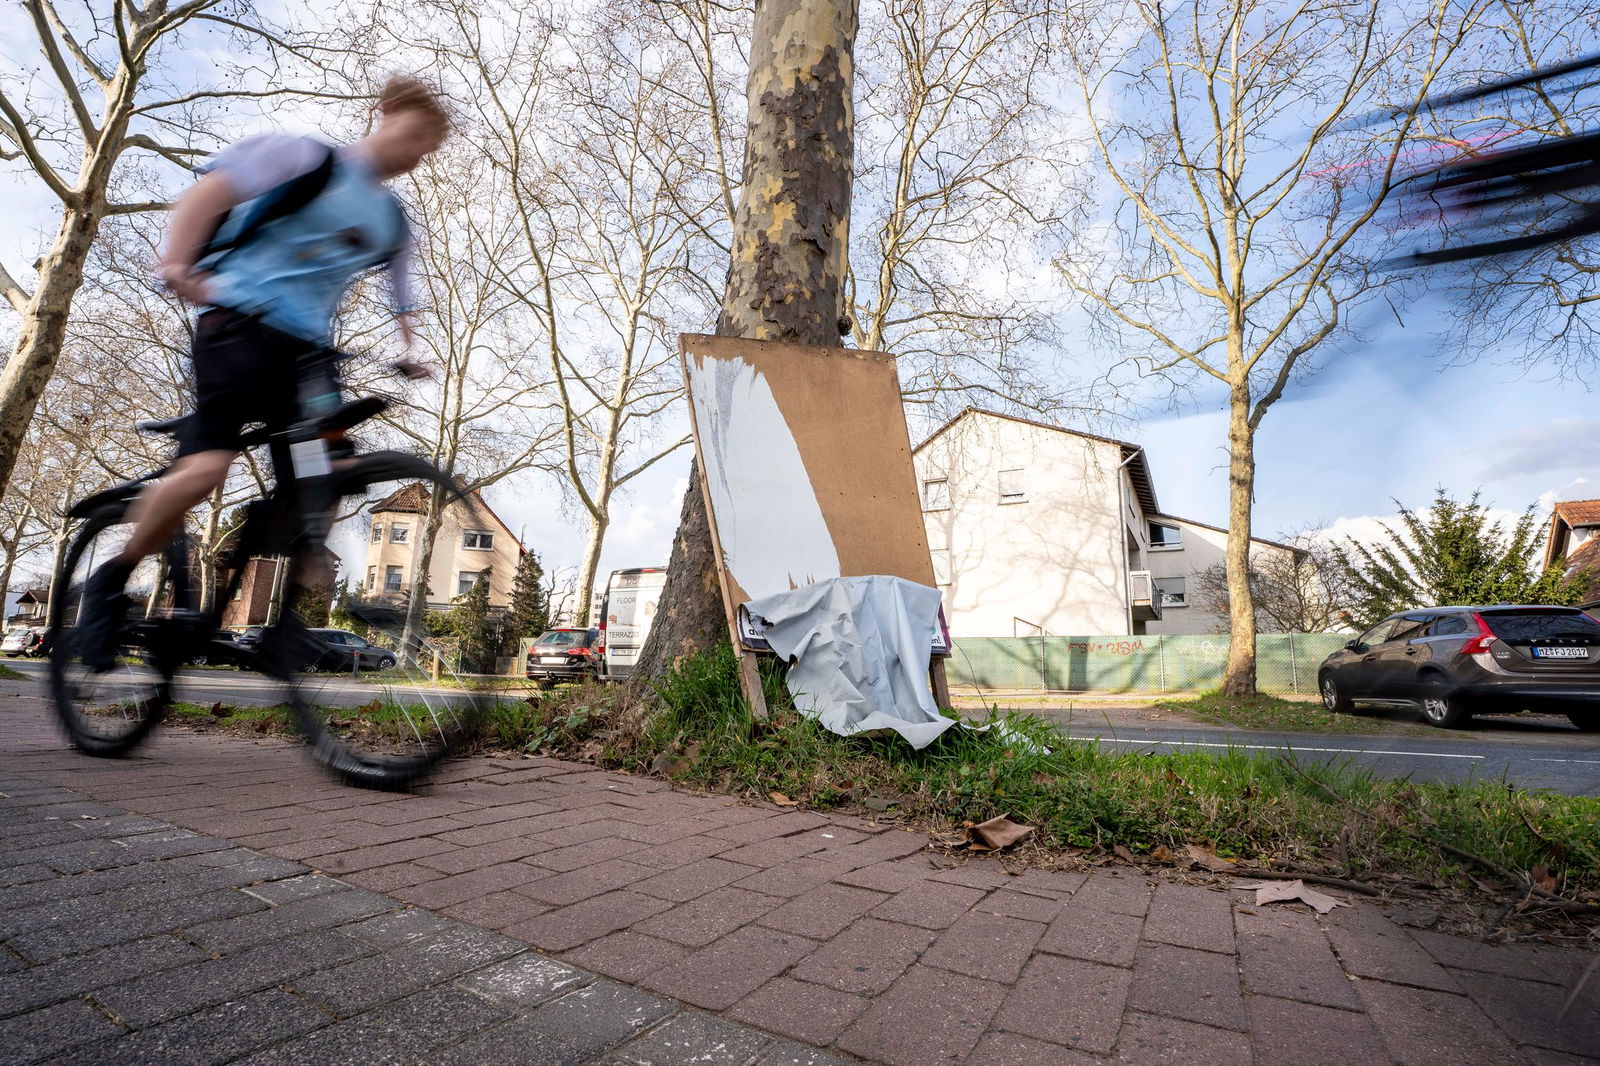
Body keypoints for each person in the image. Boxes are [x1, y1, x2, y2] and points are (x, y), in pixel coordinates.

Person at [75, 76, 451, 670]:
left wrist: (410, 348)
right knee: (205, 470)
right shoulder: (305, 157)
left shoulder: (393, 220)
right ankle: (110, 582)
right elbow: (210, 194)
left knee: (329, 474)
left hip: (309, 358)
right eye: (415, 133)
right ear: (384, 114)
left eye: (428, 148)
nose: (417, 152)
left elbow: (402, 292)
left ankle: (285, 623)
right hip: (240, 324)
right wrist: (177, 263)